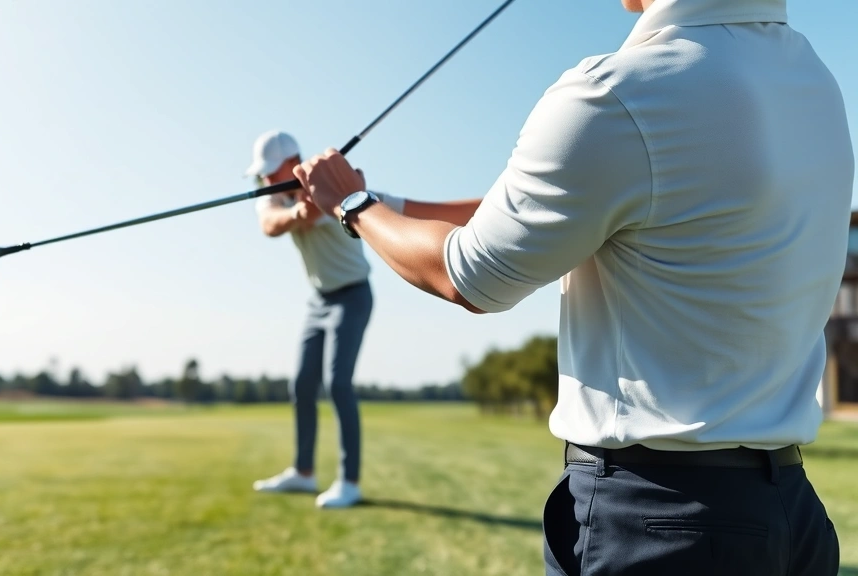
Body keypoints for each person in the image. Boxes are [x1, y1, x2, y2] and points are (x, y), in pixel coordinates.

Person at [292, 0, 852, 572]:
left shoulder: (617, 93)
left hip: (659, 523)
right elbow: (573, 200)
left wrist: (352, 205)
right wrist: (388, 204)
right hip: (793, 516)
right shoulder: (812, 81)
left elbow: (467, 276)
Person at [245, 129, 403, 509]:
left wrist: (309, 201)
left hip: (353, 294)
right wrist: (296, 210)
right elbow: (270, 226)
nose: (266, 179)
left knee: (338, 384)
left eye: (271, 171)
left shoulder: (325, 183)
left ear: (291, 161)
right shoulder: (272, 198)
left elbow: (322, 205)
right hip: (318, 300)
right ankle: (303, 473)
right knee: (301, 385)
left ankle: (349, 482)